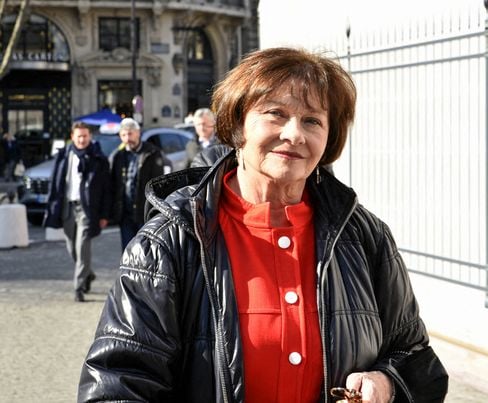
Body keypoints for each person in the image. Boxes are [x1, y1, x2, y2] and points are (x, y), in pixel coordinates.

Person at [79, 47, 448, 402]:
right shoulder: (169, 243)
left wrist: (387, 384)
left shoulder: (367, 238)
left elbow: (417, 359)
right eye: (275, 113)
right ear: (238, 124)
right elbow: (117, 385)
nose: (294, 134)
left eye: (312, 120)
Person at [44, 122, 111, 302]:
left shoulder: (98, 158)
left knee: (82, 247)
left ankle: (78, 287)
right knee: (71, 248)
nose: (82, 139)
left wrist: (105, 215)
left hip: (88, 209)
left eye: (85, 136)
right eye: (78, 136)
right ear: (72, 137)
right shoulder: (64, 156)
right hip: (67, 206)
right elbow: (55, 183)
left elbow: (106, 189)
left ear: (90, 137)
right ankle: (88, 274)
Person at [110, 117, 165, 250]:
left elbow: (158, 184)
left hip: (144, 212)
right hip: (125, 213)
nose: (127, 138)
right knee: (128, 250)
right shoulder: (118, 156)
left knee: (144, 250)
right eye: (124, 134)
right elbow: (113, 184)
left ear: (138, 132)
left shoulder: (151, 153)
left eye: (130, 133)